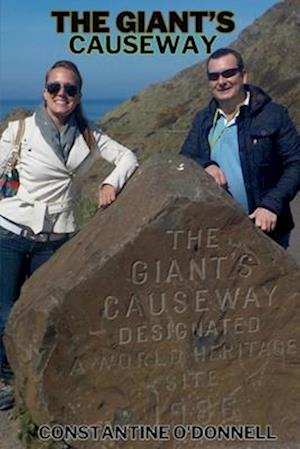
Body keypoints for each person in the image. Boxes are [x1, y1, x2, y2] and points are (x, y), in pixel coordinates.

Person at [0, 60, 138, 410]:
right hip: (12, 232)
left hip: (58, 237)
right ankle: (7, 380)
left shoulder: (90, 135)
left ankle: (43, 377)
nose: (61, 94)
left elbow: (127, 157)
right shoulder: (19, 131)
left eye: (70, 89)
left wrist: (110, 181)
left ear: (78, 95)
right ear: (44, 92)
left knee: (48, 310)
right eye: (54, 88)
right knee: (5, 310)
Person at [180, 47, 300, 249]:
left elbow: (296, 164)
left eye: (229, 73)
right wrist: (205, 164)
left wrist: (271, 204)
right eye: (214, 76)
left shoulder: (274, 114)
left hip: (266, 228)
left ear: (243, 76)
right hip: (218, 229)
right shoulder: (203, 119)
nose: (221, 81)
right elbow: (185, 157)